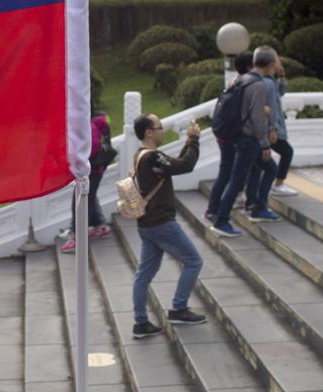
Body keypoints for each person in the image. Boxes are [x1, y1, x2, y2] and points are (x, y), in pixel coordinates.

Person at [131, 114, 206, 339]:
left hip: (147, 224)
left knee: (144, 274)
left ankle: (141, 323)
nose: (162, 131)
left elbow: (176, 166)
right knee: (194, 261)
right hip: (161, 223)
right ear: (149, 133)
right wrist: (193, 140)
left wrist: (188, 144)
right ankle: (179, 308)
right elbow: (186, 165)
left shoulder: (141, 156)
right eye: (159, 127)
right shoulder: (152, 157)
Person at [211, 47, 282, 237]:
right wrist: (265, 144)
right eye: (275, 61)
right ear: (270, 64)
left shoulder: (243, 79)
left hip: (240, 137)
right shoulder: (258, 85)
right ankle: (222, 220)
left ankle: (257, 208)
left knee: (267, 170)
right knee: (237, 181)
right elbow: (257, 118)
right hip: (248, 140)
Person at [205, 51, 253, 222]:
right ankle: (216, 209)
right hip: (234, 136)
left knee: (226, 172)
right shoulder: (246, 85)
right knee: (229, 173)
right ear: (249, 67)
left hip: (223, 135)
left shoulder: (234, 82)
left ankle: (213, 208)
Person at [62, 110, 113, 253]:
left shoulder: (89, 125)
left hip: (91, 169)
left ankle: (76, 236)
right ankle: (100, 226)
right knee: (90, 196)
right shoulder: (96, 121)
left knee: (81, 199)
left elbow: (91, 148)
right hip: (97, 167)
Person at [267, 57, 298, 197]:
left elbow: (280, 93)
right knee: (287, 152)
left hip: (270, 128)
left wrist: (281, 76)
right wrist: (272, 129)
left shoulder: (271, 81)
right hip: (270, 129)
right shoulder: (266, 82)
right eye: (278, 62)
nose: (280, 64)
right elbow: (270, 107)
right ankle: (277, 185)